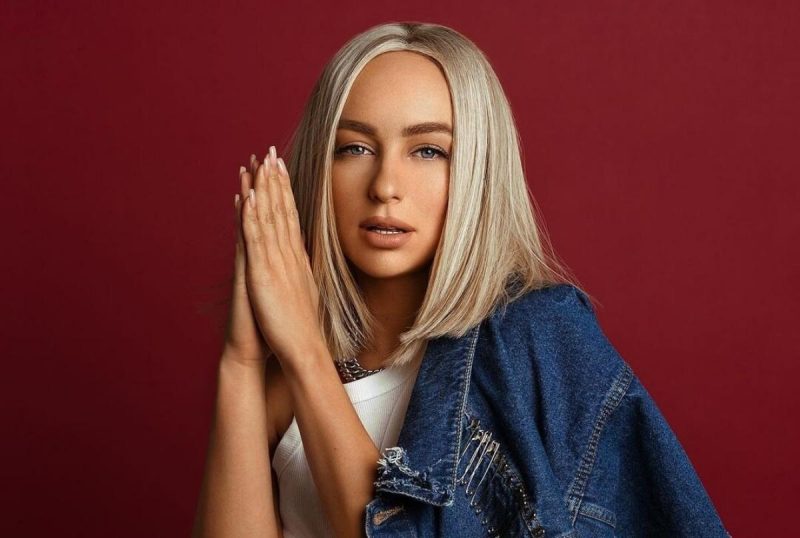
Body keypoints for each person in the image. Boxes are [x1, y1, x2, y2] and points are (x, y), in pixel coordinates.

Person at [192, 22, 731, 537]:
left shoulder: (538, 341)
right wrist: (241, 362)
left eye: (428, 150)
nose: (385, 185)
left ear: (477, 171)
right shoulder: (278, 378)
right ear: (319, 166)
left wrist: (305, 353)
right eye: (355, 147)